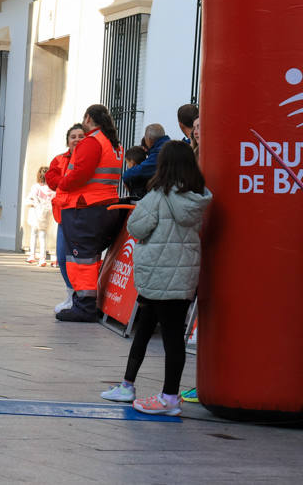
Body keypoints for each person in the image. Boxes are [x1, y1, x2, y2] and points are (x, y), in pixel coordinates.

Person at [100, 141, 211, 416]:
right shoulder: (198, 198)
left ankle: (164, 397)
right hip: (182, 276)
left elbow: (137, 227)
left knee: (147, 331)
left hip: (156, 275)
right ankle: (140, 388)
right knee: (172, 337)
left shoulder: (158, 196)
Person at [55, 104, 127, 322]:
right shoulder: (114, 144)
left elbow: (79, 174)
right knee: (90, 258)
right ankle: (87, 303)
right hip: (105, 206)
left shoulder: (92, 142)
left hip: (86, 207)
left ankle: (84, 307)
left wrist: (62, 183)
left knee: (81, 259)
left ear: (87, 118)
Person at [44, 124, 86, 312]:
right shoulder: (59, 159)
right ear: (67, 140)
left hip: (84, 214)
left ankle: (82, 297)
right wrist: (67, 182)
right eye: (73, 136)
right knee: (62, 257)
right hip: (64, 215)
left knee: (81, 259)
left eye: (80, 136)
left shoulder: (89, 158)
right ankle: (71, 295)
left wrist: (65, 183)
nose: (76, 139)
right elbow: (51, 179)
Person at [122, 123, 170, 193]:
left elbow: (139, 171)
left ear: (149, 139)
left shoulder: (159, 153)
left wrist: (125, 176)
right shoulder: (167, 146)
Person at [25, 166, 54, 265]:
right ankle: (42, 258)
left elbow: (30, 199)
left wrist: (33, 204)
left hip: (35, 213)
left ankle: (32, 255)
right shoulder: (51, 189)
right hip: (46, 214)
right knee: (43, 235)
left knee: (33, 234)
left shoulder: (36, 187)